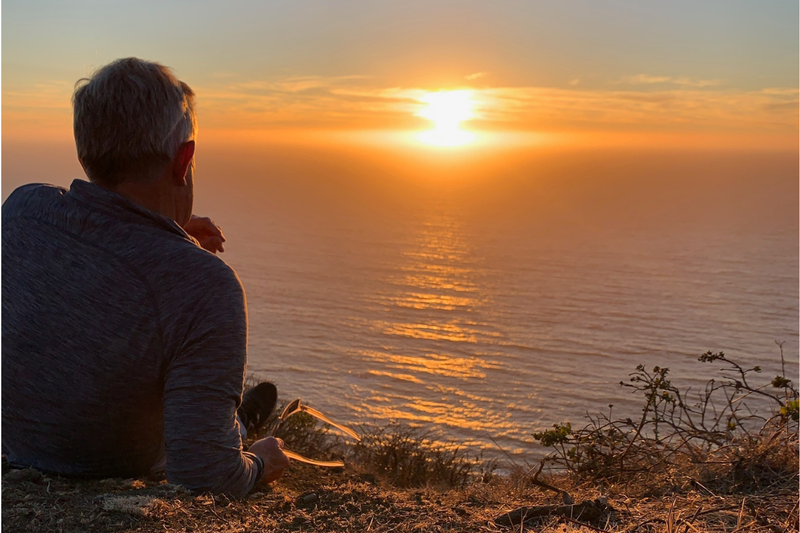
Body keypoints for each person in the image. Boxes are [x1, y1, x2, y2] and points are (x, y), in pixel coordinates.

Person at [1, 57, 289, 498]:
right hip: (109, 461)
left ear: (86, 150)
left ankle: (236, 420)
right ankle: (244, 429)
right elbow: (206, 476)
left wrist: (160, 233)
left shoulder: (22, 211)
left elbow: (92, 259)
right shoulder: (206, 286)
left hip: (17, 443)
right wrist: (262, 464)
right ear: (184, 159)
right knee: (219, 426)